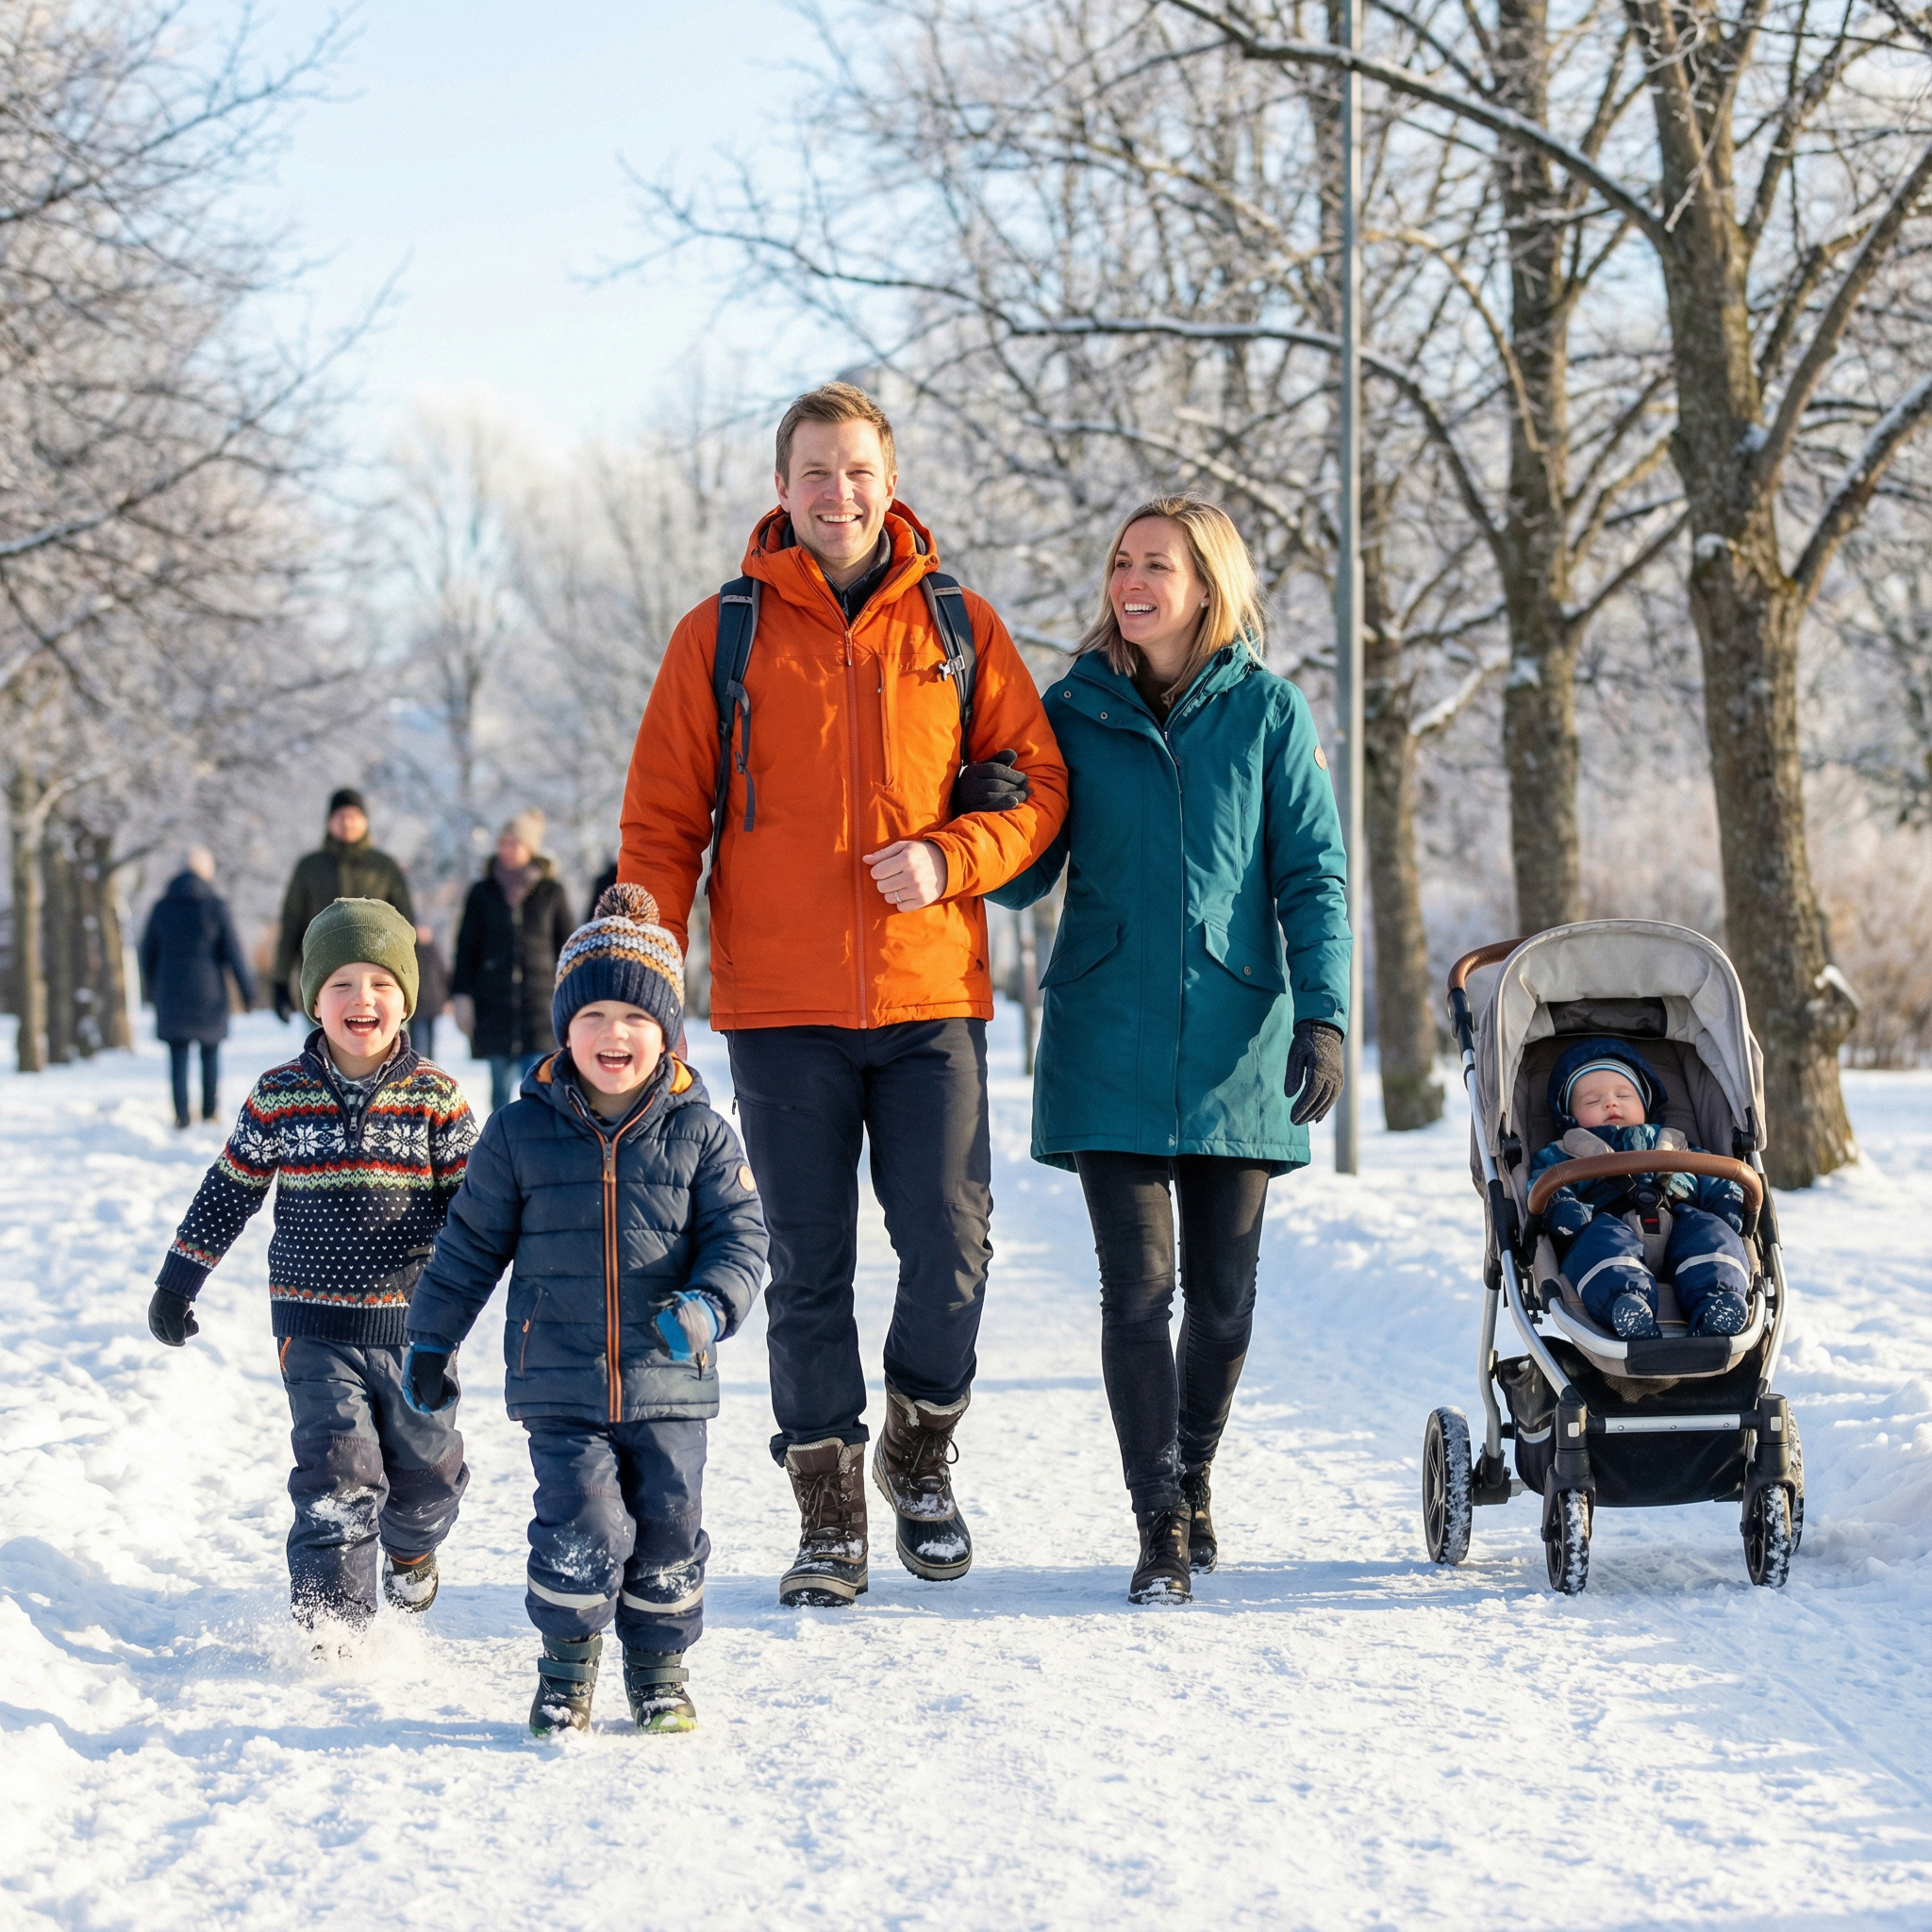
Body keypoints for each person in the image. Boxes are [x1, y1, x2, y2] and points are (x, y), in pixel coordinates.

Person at [618, 381, 1067, 1608]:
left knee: (951, 1246)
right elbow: (662, 824)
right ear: (783, 488)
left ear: (890, 475)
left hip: (932, 1001)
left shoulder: (958, 627)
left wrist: (950, 858)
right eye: (815, 471)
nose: (838, 492)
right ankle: (827, 1512)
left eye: (857, 469)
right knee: (809, 1268)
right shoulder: (721, 637)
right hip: (780, 1011)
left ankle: (919, 1458)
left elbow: (1036, 787)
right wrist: (643, 977)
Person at [990, 496, 1350, 1606]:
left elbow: (1312, 875)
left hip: (1239, 1041)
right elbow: (1018, 879)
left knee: (1225, 1298)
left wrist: (1325, 1013)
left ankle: (1193, 1470)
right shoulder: (1069, 712)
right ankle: (1156, 1519)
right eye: (1120, 561)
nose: (1131, 580)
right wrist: (989, 803)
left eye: (1157, 564)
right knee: (1135, 1291)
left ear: (1207, 586)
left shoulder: (1269, 714)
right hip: (1105, 1034)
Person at [403, 885, 767, 1735]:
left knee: (670, 1524)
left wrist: (712, 1305)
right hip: (560, 1380)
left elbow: (744, 1240)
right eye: (594, 1014)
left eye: (636, 1018)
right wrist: (430, 1339)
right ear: (564, 1027)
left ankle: (660, 1671)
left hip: (669, 1378)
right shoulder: (518, 1134)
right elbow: (467, 1248)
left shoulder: (702, 1135)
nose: (615, 1034)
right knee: (583, 1520)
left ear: (667, 1032)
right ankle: (567, 1669)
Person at [146, 898, 476, 1636]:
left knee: (425, 1478)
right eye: (342, 983)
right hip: (313, 1325)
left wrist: (524, 1293)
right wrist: (178, 1281)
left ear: (407, 999)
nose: (363, 999)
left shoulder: (437, 1100)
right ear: (313, 998)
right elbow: (229, 1189)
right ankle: (334, 1633)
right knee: (337, 1475)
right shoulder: (280, 1095)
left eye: (382, 983)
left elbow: (480, 1214)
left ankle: (413, 1552)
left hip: (416, 1328)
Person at [1529, 1039, 1751, 1340]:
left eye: (1623, 1094)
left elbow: (1713, 1171)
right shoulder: (1565, 1151)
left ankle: (1716, 1302)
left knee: (1711, 1232)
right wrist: (1562, 1207)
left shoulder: (1675, 1141)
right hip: (1604, 1218)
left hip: (1681, 1217)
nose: (1610, 1103)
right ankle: (1628, 1305)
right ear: (1570, 1117)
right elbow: (1543, 1183)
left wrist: (1725, 1199)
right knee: (1596, 1242)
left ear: (1646, 1106)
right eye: (1592, 1101)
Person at [450, 809, 576, 1112]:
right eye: (503, 842)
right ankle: (500, 1153)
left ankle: (537, 1154)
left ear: (530, 848)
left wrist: (573, 997)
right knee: (499, 1094)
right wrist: (462, 996)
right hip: (494, 1007)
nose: (507, 850)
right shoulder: (481, 893)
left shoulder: (551, 892)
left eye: (515, 843)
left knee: (540, 1092)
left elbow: (569, 947)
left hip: (541, 1008)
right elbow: (466, 948)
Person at [272, 790, 414, 1022]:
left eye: (354, 816)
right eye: (340, 816)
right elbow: (291, 925)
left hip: (379, 978)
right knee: (324, 1051)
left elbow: (405, 927)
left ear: (365, 821)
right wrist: (280, 980)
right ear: (329, 822)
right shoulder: (310, 867)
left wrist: (407, 979)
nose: (347, 822)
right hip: (323, 976)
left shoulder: (384, 867)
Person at [139, 847, 255, 1128]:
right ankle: (209, 1112)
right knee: (210, 1052)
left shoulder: (161, 907)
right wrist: (248, 991)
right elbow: (234, 953)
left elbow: (146, 952)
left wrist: (151, 989)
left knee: (177, 1055)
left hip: (171, 990)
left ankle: (181, 1116)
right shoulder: (216, 906)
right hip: (209, 991)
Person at [413, 924, 452, 1064]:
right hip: (418, 1004)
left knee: (429, 1040)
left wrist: (447, 998)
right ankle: (418, 1066)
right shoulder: (414, 951)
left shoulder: (434, 951)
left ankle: (427, 1065)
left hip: (433, 1003)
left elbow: (444, 974)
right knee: (418, 1039)